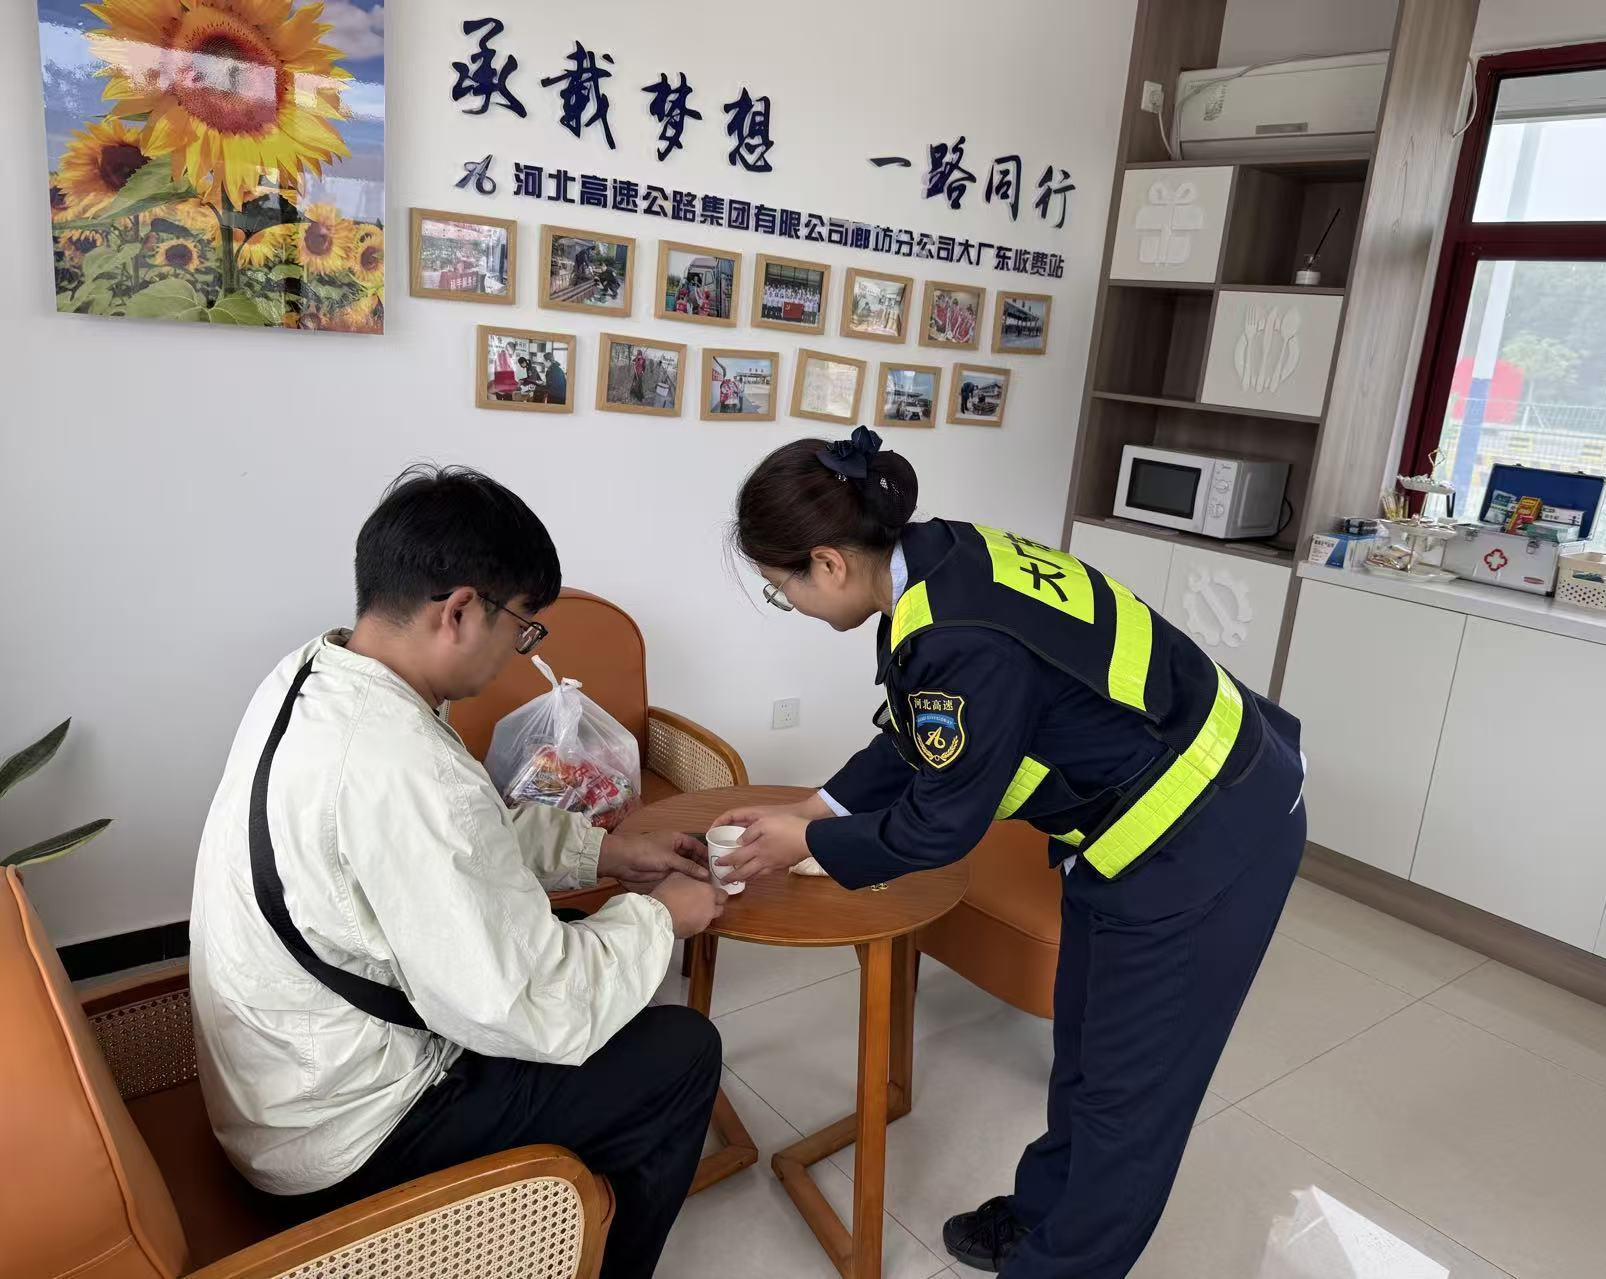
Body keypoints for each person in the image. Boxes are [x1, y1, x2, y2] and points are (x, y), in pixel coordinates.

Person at [714, 429, 1307, 1279]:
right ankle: (1040, 1214)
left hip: (1209, 835)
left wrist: (806, 843)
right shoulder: (937, 560)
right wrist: (816, 806)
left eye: (782, 592)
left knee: (1129, 1105)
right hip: (1130, 827)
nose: (791, 606)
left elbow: (939, 825)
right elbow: (928, 732)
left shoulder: (959, 637)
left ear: (829, 563)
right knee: (1087, 1058)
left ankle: (1062, 1261)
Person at [189, 466, 726, 1279]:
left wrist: (607, 853)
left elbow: (467, 839)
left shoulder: (314, 674)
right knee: (683, 1051)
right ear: (462, 610)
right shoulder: (402, 763)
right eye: (524, 628)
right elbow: (527, 1003)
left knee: (580, 940)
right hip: (341, 1143)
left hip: (282, 1079)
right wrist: (665, 917)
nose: (519, 652)